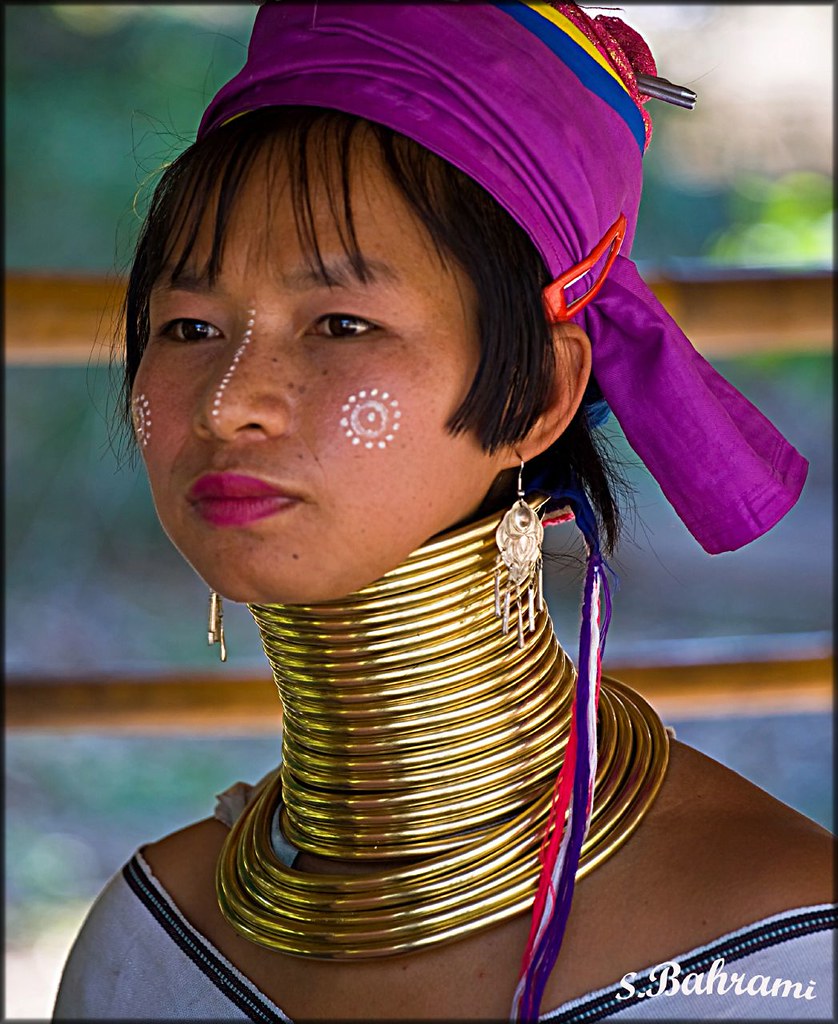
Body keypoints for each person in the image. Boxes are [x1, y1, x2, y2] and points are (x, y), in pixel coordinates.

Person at [54, 2, 834, 1021]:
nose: (225, 399)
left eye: (340, 322)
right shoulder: (145, 948)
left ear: (537, 394)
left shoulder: (786, 954)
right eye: (190, 325)